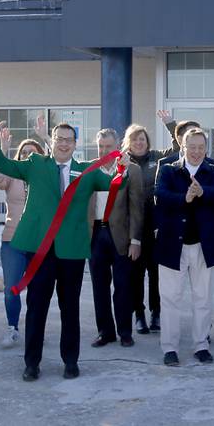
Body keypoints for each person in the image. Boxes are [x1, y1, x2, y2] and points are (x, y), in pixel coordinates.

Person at [0, 107, 128, 381]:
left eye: (69, 139)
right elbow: (2, 164)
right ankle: (32, 363)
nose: (64, 143)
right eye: (59, 138)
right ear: (53, 140)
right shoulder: (35, 164)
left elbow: (114, 184)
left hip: (71, 249)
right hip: (40, 249)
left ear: (75, 144)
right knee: (37, 307)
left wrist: (122, 169)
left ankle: (70, 361)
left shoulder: (86, 171)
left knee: (70, 308)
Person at [155, 128, 214, 366]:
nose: (196, 152)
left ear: (205, 149)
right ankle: (169, 348)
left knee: (203, 297)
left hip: (204, 245)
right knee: (170, 298)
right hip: (172, 244)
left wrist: (203, 192)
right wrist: (183, 198)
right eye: (192, 147)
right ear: (182, 147)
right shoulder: (168, 169)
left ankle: (201, 345)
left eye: (201, 147)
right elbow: (160, 194)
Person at [0, 130, 46, 348]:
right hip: (13, 241)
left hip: (40, 242)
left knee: (39, 288)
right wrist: (1, 148)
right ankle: (13, 328)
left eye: (33, 152)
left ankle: (35, 326)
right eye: (25, 153)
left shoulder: (47, 176)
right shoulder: (13, 175)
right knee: (11, 287)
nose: (29, 155)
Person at [124, 112, 179, 335]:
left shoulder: (158, 157)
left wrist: (169, 124)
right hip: (133, 228)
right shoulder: (123, 162)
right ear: (129, 142)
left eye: (142, 139)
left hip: (157, 226)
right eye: (135, 139)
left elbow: (178, 146)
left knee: (157, 274)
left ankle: (157, 312)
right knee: (135, 274)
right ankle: (139, 314)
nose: (139, 142)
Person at [88, 128, 143, 349]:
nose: (103, 150)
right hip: (95, 236)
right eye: (100, 146)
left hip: (120, 237)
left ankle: (125, 332)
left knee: (123, 287)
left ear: (117, 146)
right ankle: (105, 332)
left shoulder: (131, 170)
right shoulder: (90, 169)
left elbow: (136, 208)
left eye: (108, 146)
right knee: (99, 287)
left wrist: (135, 241)